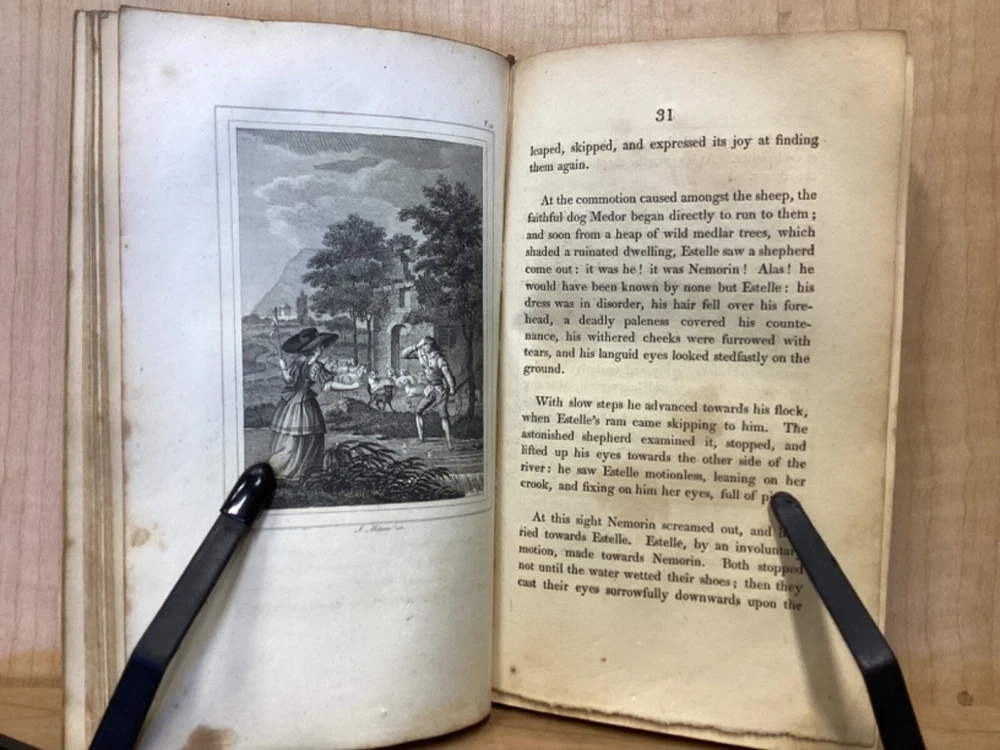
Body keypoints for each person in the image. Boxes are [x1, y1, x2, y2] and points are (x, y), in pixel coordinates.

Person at [268, 327, 358, 481]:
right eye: (320, 345)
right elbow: (328, 385)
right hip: (303, 405)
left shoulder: (297, 361)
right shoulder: (315, 366)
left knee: (292, 440)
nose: (323, 348)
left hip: (289, 404)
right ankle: (300, 473)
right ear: (316, 348)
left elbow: (288, 380)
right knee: (308, 438)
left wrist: (283, 368)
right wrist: (352, 386)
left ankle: (286, 471)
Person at [402, 335, 456, 450]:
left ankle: (449, 442)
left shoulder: (439, 359)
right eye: (423, 344)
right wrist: (416, 346)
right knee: (418, 411)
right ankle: (421, 438)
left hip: (440, 389)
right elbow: (404, 354)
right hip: (430, 389)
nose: (423, 347)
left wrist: (451, 387)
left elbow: (447, 374)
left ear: (432, 346)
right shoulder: (422, 355)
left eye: (426, 344)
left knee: (443, 415)